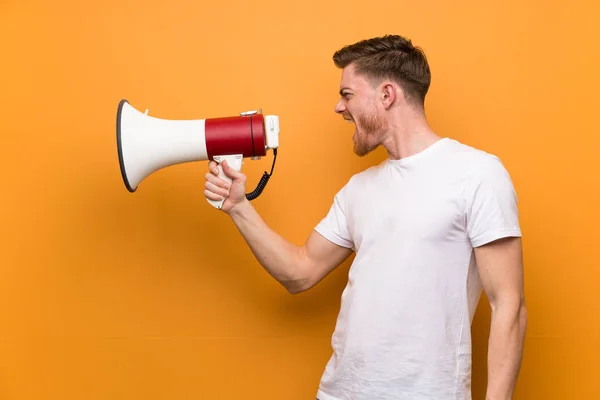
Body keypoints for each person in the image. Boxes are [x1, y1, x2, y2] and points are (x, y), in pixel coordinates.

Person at [203, 34, 527, 400]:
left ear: (386, 95)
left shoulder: (477, 173)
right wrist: (239, 207)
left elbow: (508, 305)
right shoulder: (359, 189)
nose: (339, 108)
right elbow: (299, 272)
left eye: (347, 94)